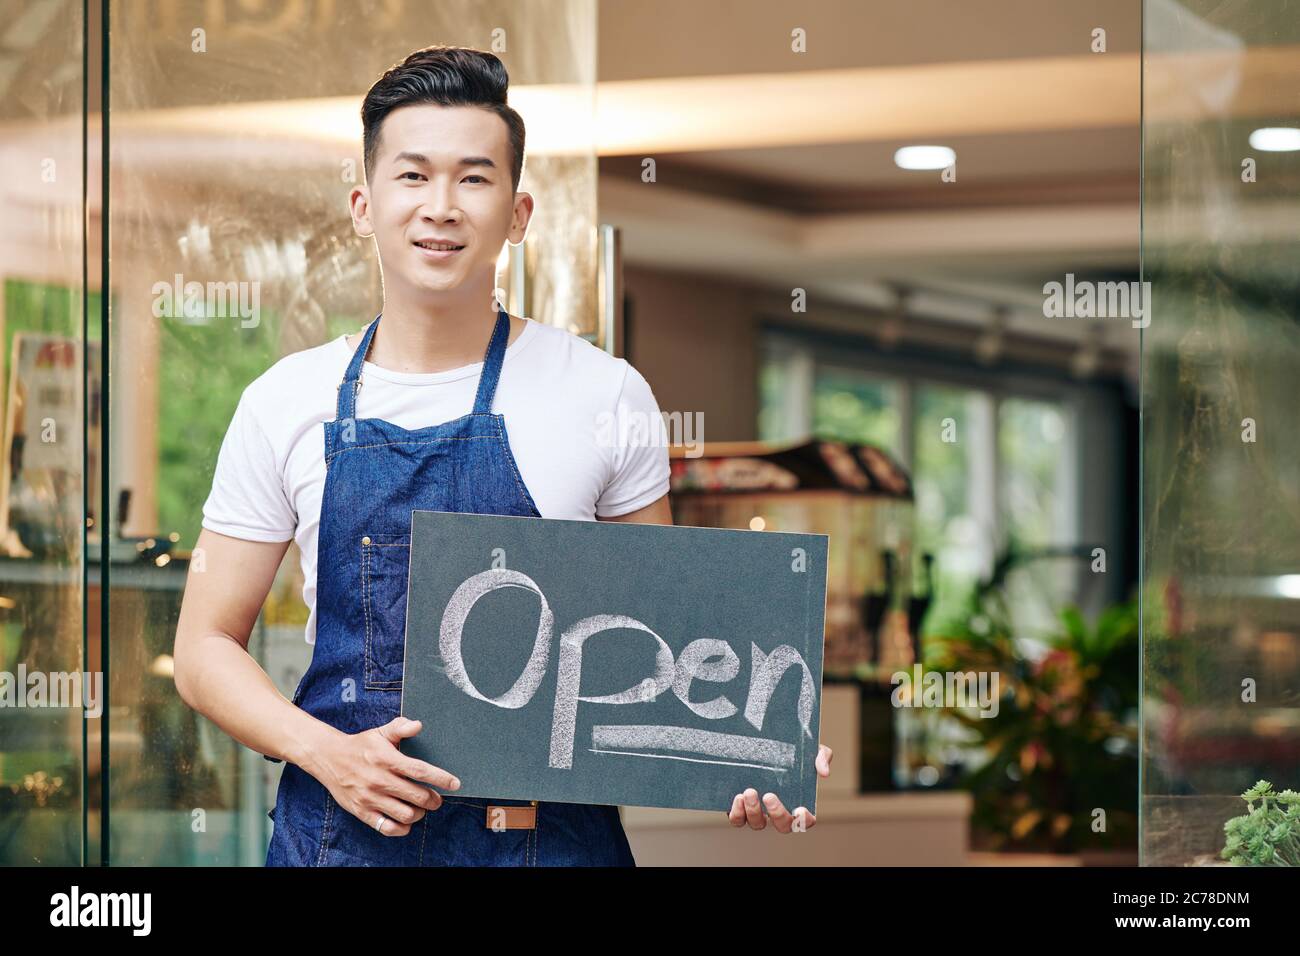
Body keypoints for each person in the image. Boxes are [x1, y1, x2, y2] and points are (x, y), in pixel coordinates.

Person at [173, 45, 831, 867]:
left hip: (549, 847)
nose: (440, 206)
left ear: (518, 215)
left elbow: (673, 650)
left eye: (473, 178)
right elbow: (203, 650)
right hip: (339, 844)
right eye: (412, 177)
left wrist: (750, 745)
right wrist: (325, 753)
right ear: (362, 206)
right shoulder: (284, 400)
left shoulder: (603, 393)